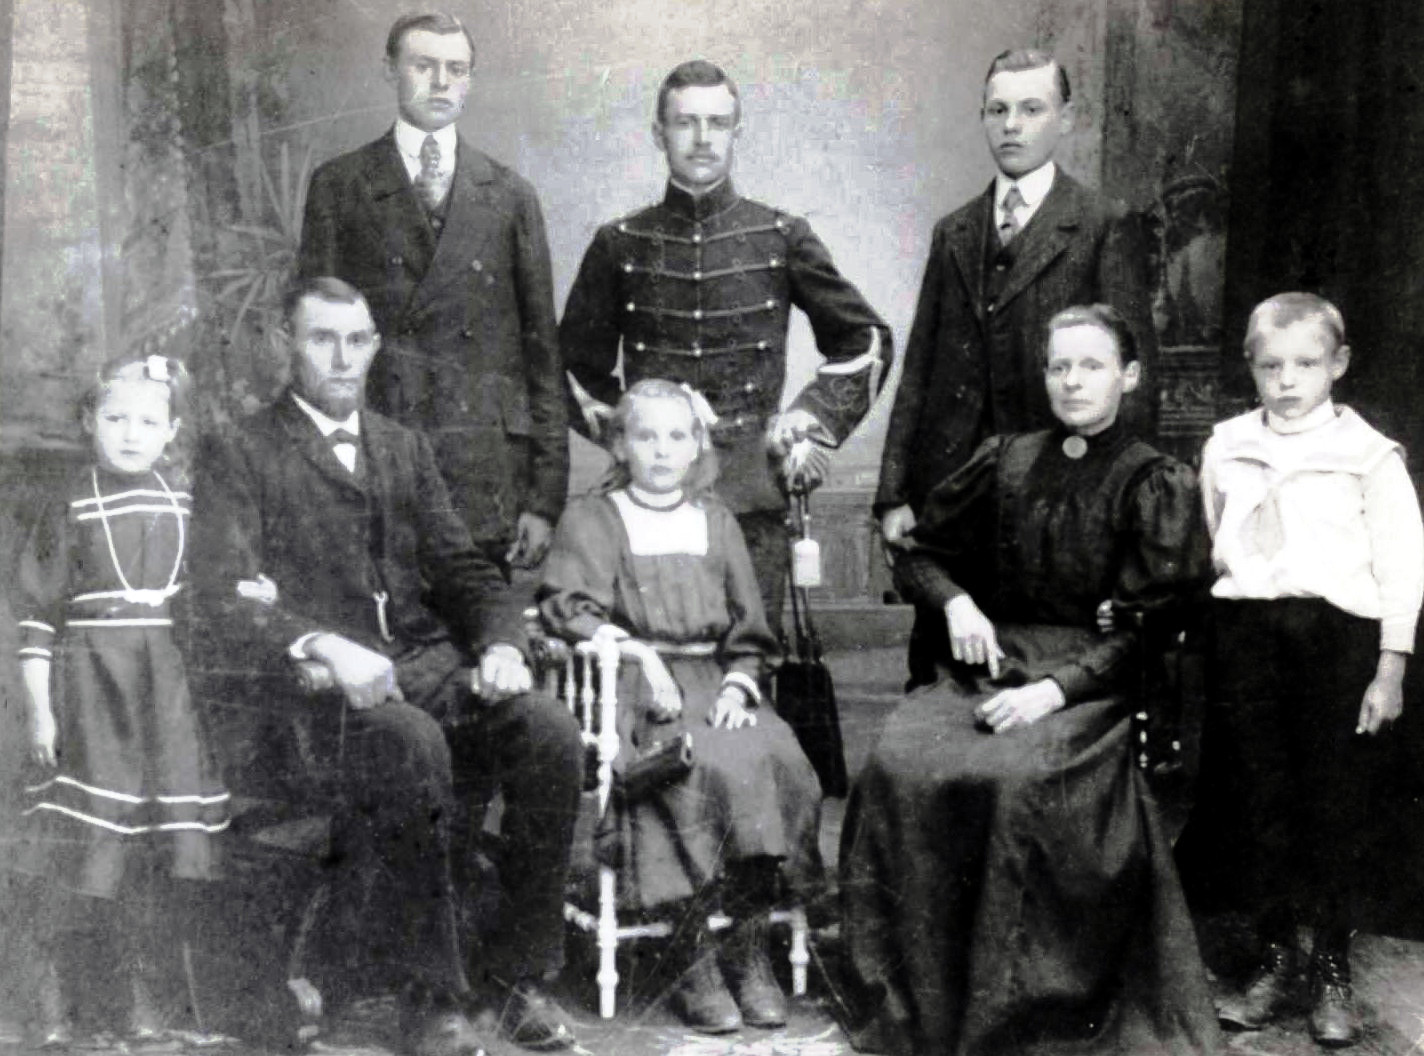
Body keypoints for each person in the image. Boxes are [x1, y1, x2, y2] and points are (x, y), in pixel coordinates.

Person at [193, 277, 583, 1055]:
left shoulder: (403, 447)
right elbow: (219, 595)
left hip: (422, 669)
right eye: (322, 339)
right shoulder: (240, 450)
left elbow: (463, 570)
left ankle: (516, 976)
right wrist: (321, 642)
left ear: (375, 346)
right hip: (313, 704)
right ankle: (430, 996)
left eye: (357, 340)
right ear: (285, 344)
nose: (343, 358)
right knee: (412, 743)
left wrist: (502, 643)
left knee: (548, 731)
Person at [839, 305, 1220, 1055]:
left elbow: (1151, 625)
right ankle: (920, 992)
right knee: (898, 762)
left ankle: (1016, 1007)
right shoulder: (1005, 458)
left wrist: (1056, 691)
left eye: (1092, 366)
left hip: (1092, 682)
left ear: (1129, 376)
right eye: (1059, 366)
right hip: (989, 665)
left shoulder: (1154, 479)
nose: (1072, 381)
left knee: (1019, 778)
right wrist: (956, 603)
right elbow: (918, 554)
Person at [560, 58, 892, 628]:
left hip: (751, 498)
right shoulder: (620, 243)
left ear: (738, 131)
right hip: (644, 497)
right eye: (685, 122)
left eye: (717, 122)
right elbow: (569, 368)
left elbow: (866, 339)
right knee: (650, 653)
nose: (702, 137)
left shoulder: (781, 236)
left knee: (751, 655)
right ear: (659, 133)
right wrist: (632, 434)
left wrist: (809, 419)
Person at [539, 380, 823, 1034]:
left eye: (677, 436)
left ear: (698, 446)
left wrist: (737, 685)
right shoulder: (595, 518)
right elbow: (568, 608)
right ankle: (690, 951)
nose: (662, 451)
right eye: (646, 436)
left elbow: (749, 630)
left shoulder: (715, 520)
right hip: (633, 686)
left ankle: (747, 949)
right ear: (620, 444)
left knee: (774, 756)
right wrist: (640, 655)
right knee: (688, 766)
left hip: (711, 679)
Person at [875, 48, 1158, 688]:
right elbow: (920, 365)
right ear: (981, 116)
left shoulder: (1102, 224)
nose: (1012, 125)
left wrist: (1126, 503)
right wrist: (894, 493)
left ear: (1066, 119)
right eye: (998, 110)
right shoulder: (955, 230)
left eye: (1032, 109)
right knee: (942, 664)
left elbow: (1134, 374)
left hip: (1056, 489)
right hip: (951, 488)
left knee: (1040, 663)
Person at [1195, 293, 1423, 1047]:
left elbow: (1402, 566)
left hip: (1336, 644)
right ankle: (1273, 957)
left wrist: (1389, 669)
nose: (1287, 380)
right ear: (1251, 368)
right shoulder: (1226, 445)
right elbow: (1216, 536)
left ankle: (1330, 965)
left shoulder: (1370, 456)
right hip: (1249, 639)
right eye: (1271, 366)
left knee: (1333, 804)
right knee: (1259, 800)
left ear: (1339, 364)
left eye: (1305, 363)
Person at [7, 355, 229, 1047]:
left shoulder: (185, 503)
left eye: (148, 422)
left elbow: (213, 594)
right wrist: (42, 711)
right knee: (90, 841)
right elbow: (38, 615)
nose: (132, 434)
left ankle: (144, 1001)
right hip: (91, 685)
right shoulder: (69, 505)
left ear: (173, 431)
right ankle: (65, 1002)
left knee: (156, 844)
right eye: (115, 418)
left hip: (163, 687)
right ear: (88, 422)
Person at [299, 11, 566, 577]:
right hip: (377, 450)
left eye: (456, 69)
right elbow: (313, 346)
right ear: (390, 70)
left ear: (470, 80)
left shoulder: (510, 195)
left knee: (479, 618)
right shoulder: (340, 186)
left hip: (483, 469)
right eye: (424, 66)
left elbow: (542, 353)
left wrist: (544, 499)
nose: (441, 82)